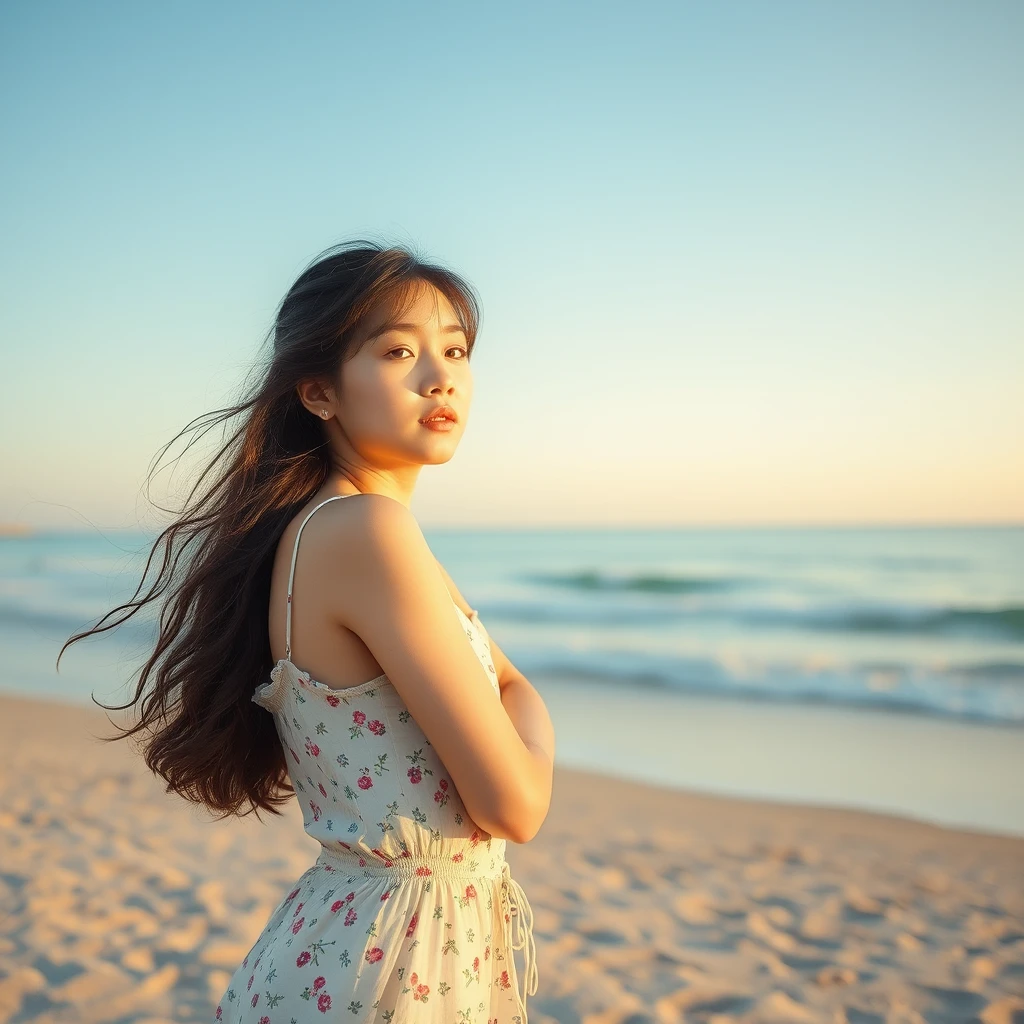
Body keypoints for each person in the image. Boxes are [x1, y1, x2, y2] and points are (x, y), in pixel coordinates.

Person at [58, 239, 556, 1023]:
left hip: (360, 939)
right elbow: (516, 804)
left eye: (455, 350)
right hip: (394, 965)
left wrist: (516, 699)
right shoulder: (367, 535)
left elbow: (508, 690)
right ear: (319, 392)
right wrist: (535, 719)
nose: (441, 376)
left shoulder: (339, 528)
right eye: (399, 351)